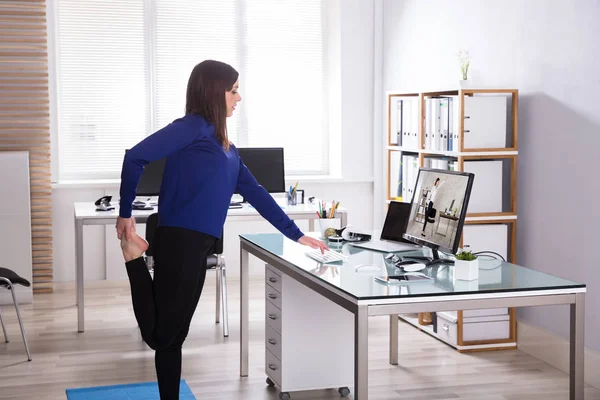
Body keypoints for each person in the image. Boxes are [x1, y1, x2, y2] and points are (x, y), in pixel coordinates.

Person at [115, 60, 328, 400]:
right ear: (214, 92)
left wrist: (296, 233)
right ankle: (132, 259)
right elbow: (135, 157)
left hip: (200, 245)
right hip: (179, 240)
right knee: (161, 337)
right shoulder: (191, 128)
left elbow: (256, 193)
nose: (238, 97)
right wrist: (125, 213)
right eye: (233, 90)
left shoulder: (225, 146)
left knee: (174, 337)